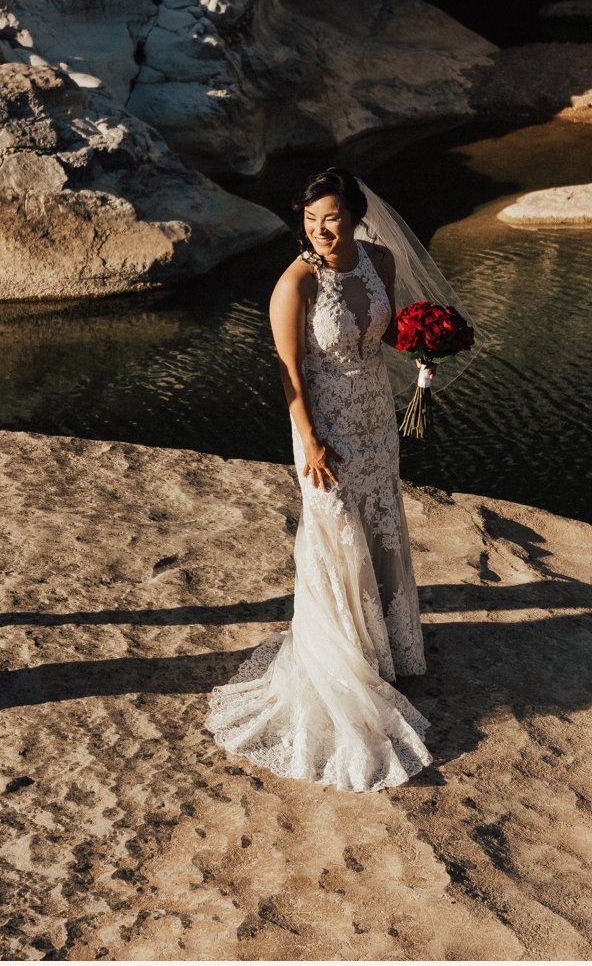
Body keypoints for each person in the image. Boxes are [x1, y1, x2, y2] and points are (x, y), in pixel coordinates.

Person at [206, 167, 433, 791]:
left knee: (381, 521)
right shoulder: (295, 282)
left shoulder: (379, 262)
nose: (320, 231)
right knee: (335, 534)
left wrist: (424, 354)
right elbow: (289, 375)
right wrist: (308, 440)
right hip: (325, 428)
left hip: (375, 420)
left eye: (330, 218)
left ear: (355, 215)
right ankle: (347, 659)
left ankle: (390, 646)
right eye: (310, 220)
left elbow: (390, 332)